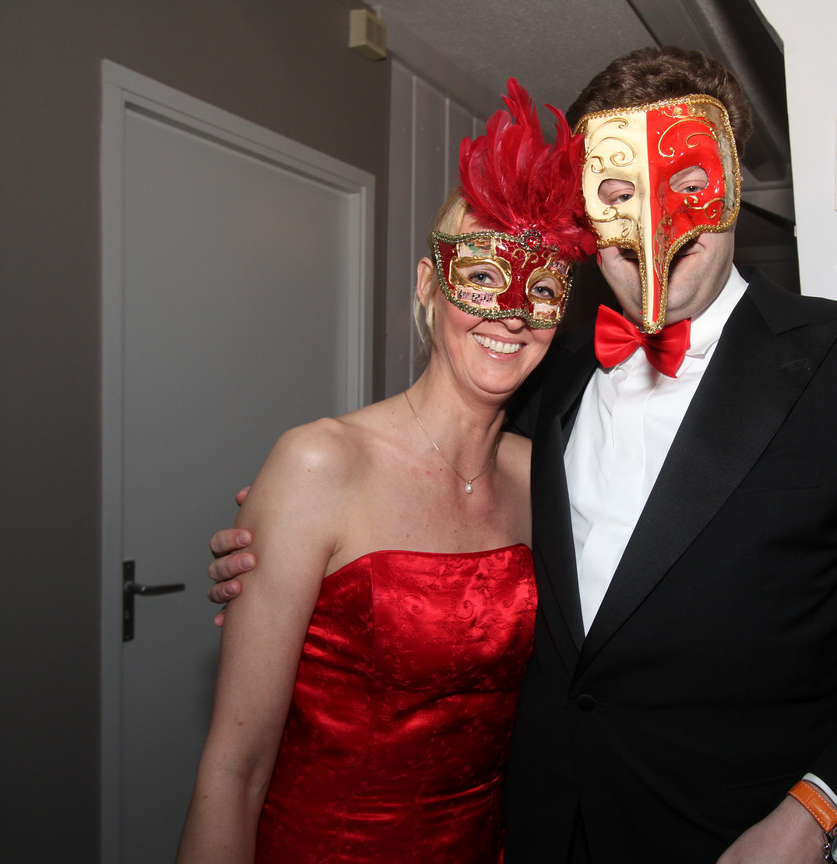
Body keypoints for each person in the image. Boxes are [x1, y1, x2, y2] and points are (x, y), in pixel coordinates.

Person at [209, 48, 837, 863]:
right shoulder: (546, 366)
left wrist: (819, 817)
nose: (653, 221)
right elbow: (428, 502)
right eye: (619, 192)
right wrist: (291, 557)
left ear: (734, 185)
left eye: (688, 183)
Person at [176, 79, 595, 864]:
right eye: (481, 276)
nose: (510, 313)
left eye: (540, 289)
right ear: (428, 285)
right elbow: (233, 772)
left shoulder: (546, 477)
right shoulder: (318, 463)